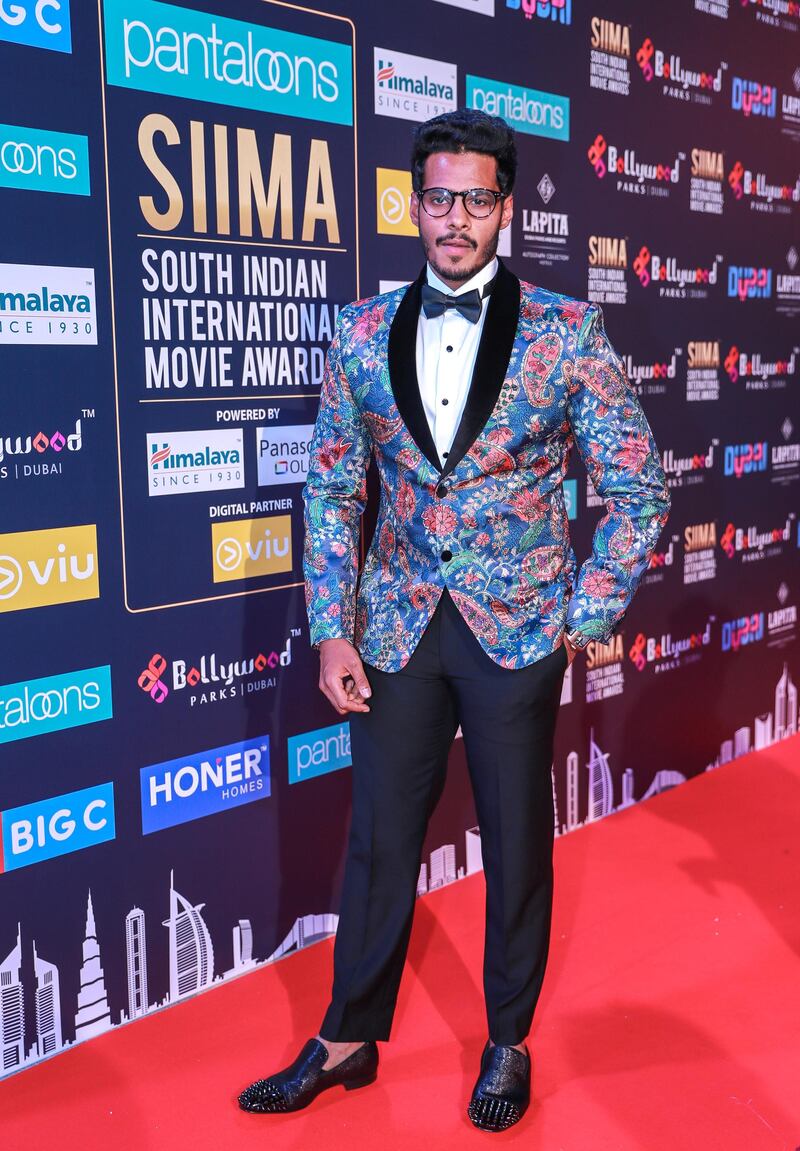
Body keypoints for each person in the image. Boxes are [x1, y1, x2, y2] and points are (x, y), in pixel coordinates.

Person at [238, 109, 670, 1132]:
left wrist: (586, 609)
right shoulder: (358, 329)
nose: (454, 217)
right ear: (414, 203)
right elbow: (336, 488)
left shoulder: (565, 331)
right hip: (393, 626)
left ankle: (506, 1038)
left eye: (477, 197)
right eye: (437, 196)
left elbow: (638, 485)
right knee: (381, 837)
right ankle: (347, 1035)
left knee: (517, 843)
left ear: (505, 207)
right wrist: (330, 626)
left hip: (516, 628)